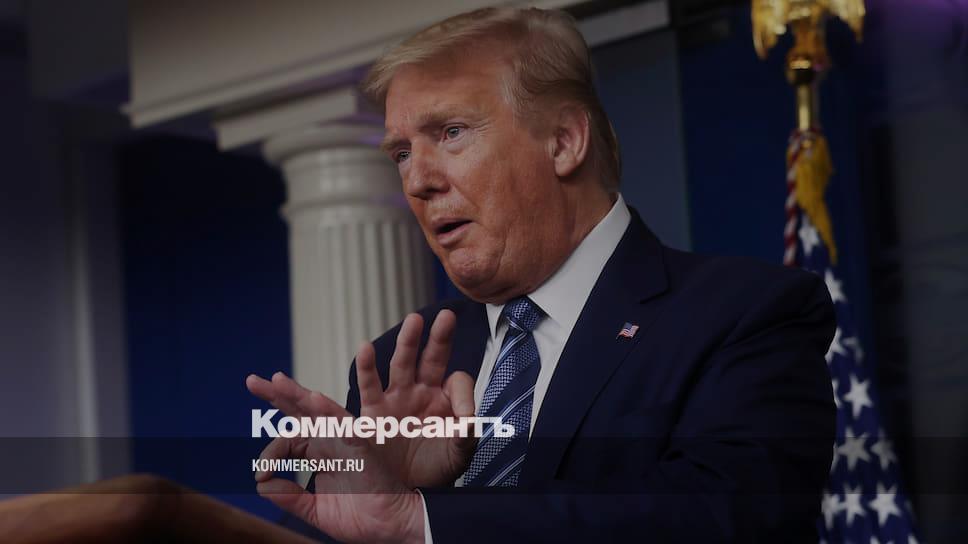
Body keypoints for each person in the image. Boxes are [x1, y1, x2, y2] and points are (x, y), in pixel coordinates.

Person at [246, 6, 836, 543]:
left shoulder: (745, 314)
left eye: (450, 133)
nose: (417, 180)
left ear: (563, 141)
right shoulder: (402, 363)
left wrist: (424, 517)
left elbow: (725, 516)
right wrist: (386, 498)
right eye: (401, 153)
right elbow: (364, 523)